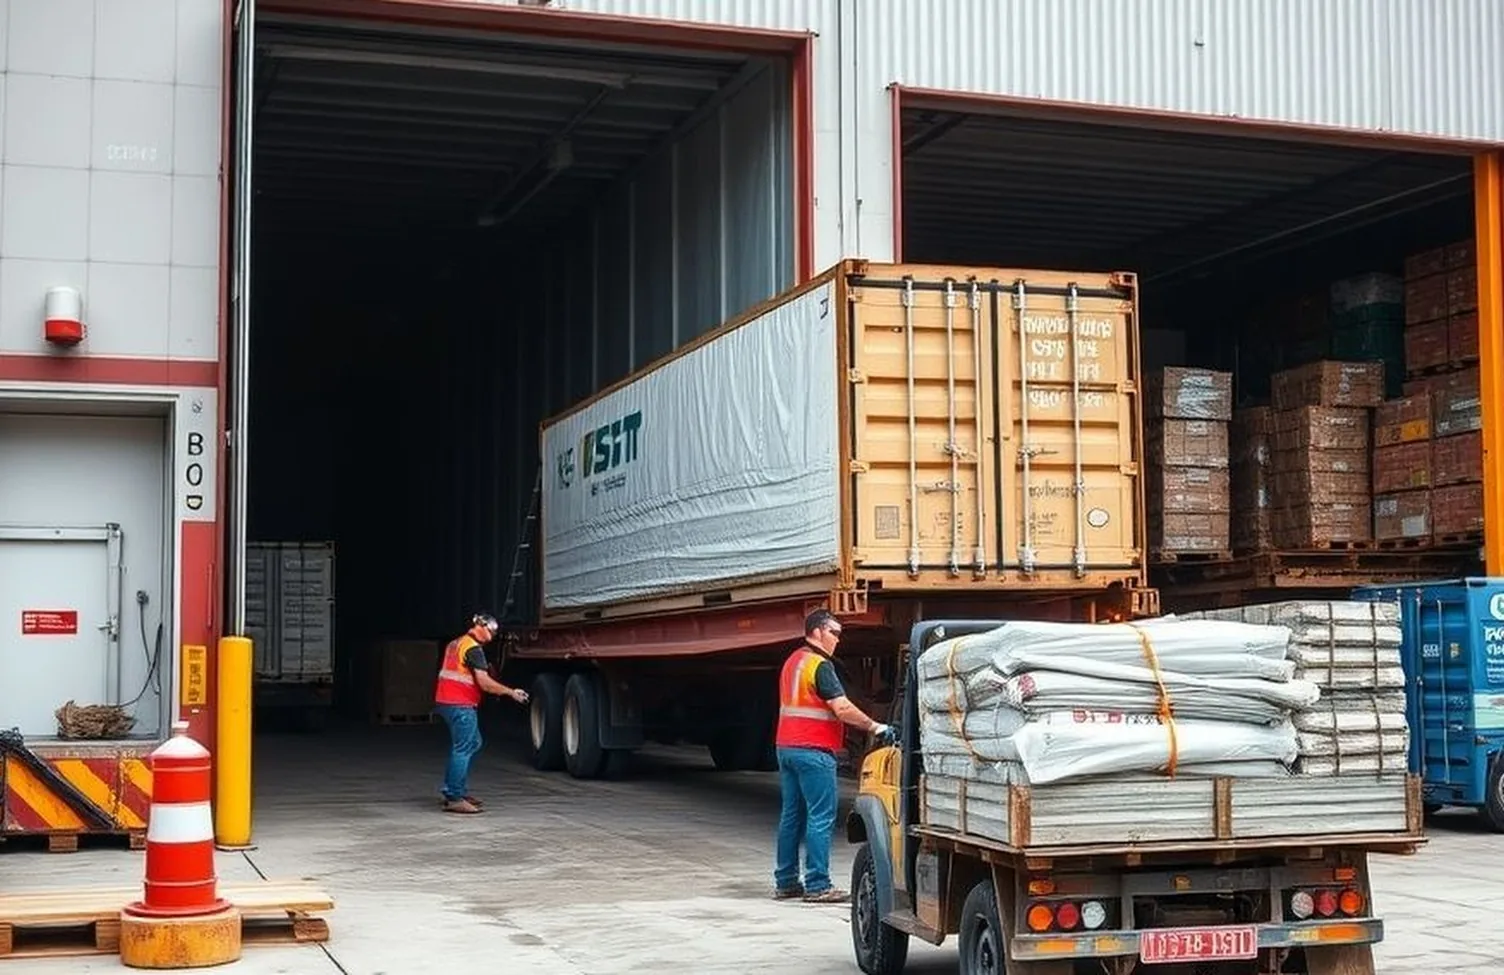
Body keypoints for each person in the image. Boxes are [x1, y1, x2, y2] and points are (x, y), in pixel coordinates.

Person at [773, 608, 894, 903]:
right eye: (834, 633)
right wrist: (875, 726)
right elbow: (841, 708)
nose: (838, 640)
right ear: (817, 631)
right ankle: (817, 884)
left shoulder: (793, 661)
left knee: (792, 816)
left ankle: (786, 881)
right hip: (813, 751)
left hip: (786, 748)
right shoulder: (820, 665)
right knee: (820, 817)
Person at [433, 612, 529, 814]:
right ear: (480, 625)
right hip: (460, 704)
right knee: (464, 747)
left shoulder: (456, 643)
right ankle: (454, 797)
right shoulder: (474, 649)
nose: (493, 635)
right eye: (491, 630)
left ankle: (454, 789)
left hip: (446, 701)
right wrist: (510, 692)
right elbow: (484, 683)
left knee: (473, 742)